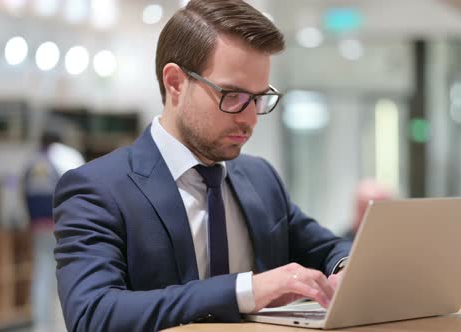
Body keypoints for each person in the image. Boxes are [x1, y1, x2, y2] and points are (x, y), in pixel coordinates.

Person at [52, 1, 351, 331]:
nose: (250, 117)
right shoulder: (98, 189)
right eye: (233, 95)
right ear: (176, 82)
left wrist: (347, 268)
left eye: (259, 98)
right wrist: (245, 291)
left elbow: (327, 247)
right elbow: (92, 314)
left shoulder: (259, 177)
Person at [22, 131, 84, 332]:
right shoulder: (60, 159)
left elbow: (21, 191)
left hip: (36, 226)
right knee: (63, 272)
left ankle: (40, 322)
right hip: (58, 225)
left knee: (42, 270)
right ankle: (59, 323)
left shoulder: (32, 163)